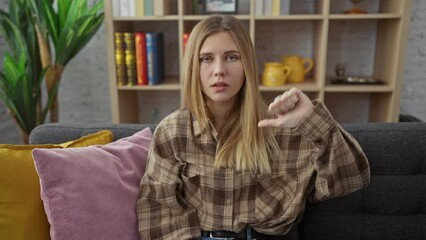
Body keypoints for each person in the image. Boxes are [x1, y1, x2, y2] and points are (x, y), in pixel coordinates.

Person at [136, 15, 370, 240]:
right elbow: (159, 212)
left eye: (231, 57)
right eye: (206, 59)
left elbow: (351, 178)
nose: (219, 70)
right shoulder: (172, 131)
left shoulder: (283, 125)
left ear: (247, 63)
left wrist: (311, 119)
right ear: (192, 68)